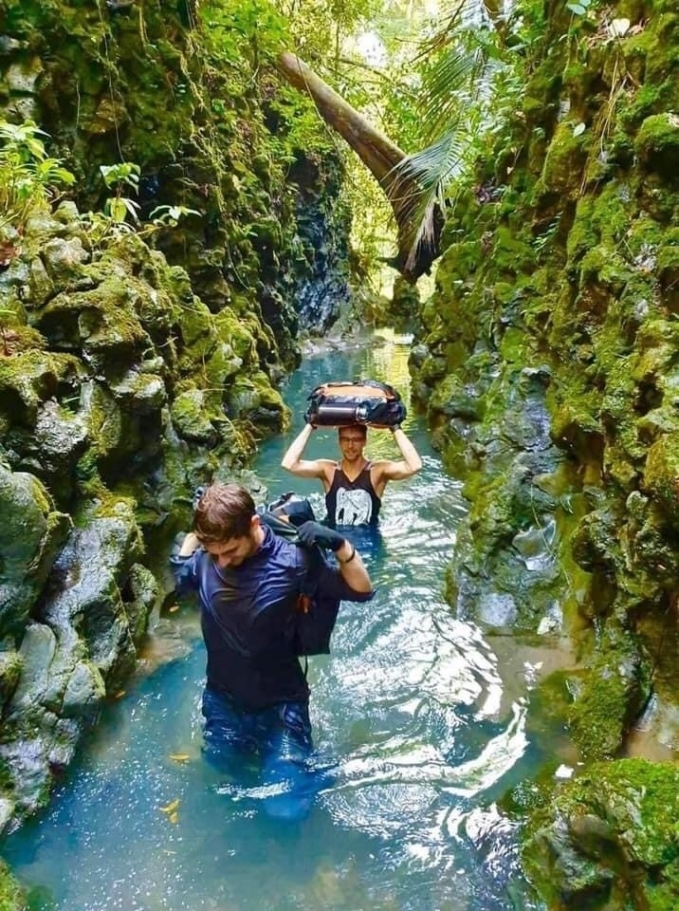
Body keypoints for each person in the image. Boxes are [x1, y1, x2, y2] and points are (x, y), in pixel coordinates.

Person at [170, 482, 374, 820]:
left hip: (282, 706)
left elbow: (361, 590)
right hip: (222, 702)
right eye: (214, 552)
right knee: (216, 775)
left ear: (252, 525)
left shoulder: (293, 562)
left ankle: (321, 769)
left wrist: (340, 545)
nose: (222, 562)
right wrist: (197, 534)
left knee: (286, 811)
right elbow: (181, 568)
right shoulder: (207, 558)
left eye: (231, 551)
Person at [280, 422, 423, 526]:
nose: (350, 446)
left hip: (369, 542)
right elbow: (289, 464)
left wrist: (395, 427)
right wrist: (310, 425)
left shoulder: (378, 471)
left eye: (356, 440)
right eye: (345, 440)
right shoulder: (328, 470)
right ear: (339, 441)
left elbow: (414, 466)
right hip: (334, 540)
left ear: (364, 441)